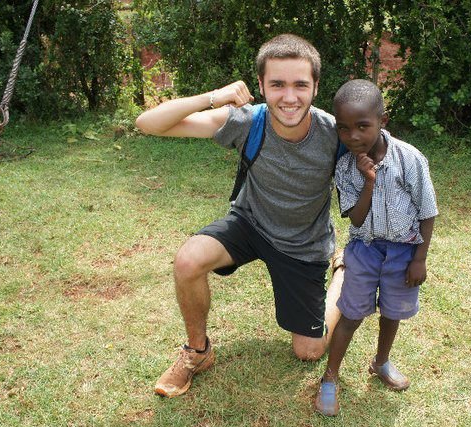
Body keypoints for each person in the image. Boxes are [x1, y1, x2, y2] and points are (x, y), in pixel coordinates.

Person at [135, 34, 345, 398]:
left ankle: (342, 271)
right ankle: (197, 352)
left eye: (300, 85)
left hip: (303, 242)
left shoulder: (334, 133)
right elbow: (148, 123)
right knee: (188, 260)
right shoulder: (249, 121)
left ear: (316, 87)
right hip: (250, 224)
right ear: (261, 85)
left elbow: (386, 155)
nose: (289, 97)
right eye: (277, 84)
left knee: (309, 351)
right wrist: (213, 97)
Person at [314, 79, 439, 416]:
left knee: (392, 312)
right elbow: (355, 220)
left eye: (362, 126)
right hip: (365, 250)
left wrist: (420, 259)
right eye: (344, 129)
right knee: (351, 315)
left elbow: (427, 212)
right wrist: (368, 181)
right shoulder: (345, 167)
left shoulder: (410, 159)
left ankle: (381, 362)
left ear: (382, 121)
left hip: (403, 252)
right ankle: (330, 376)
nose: (353, 136)